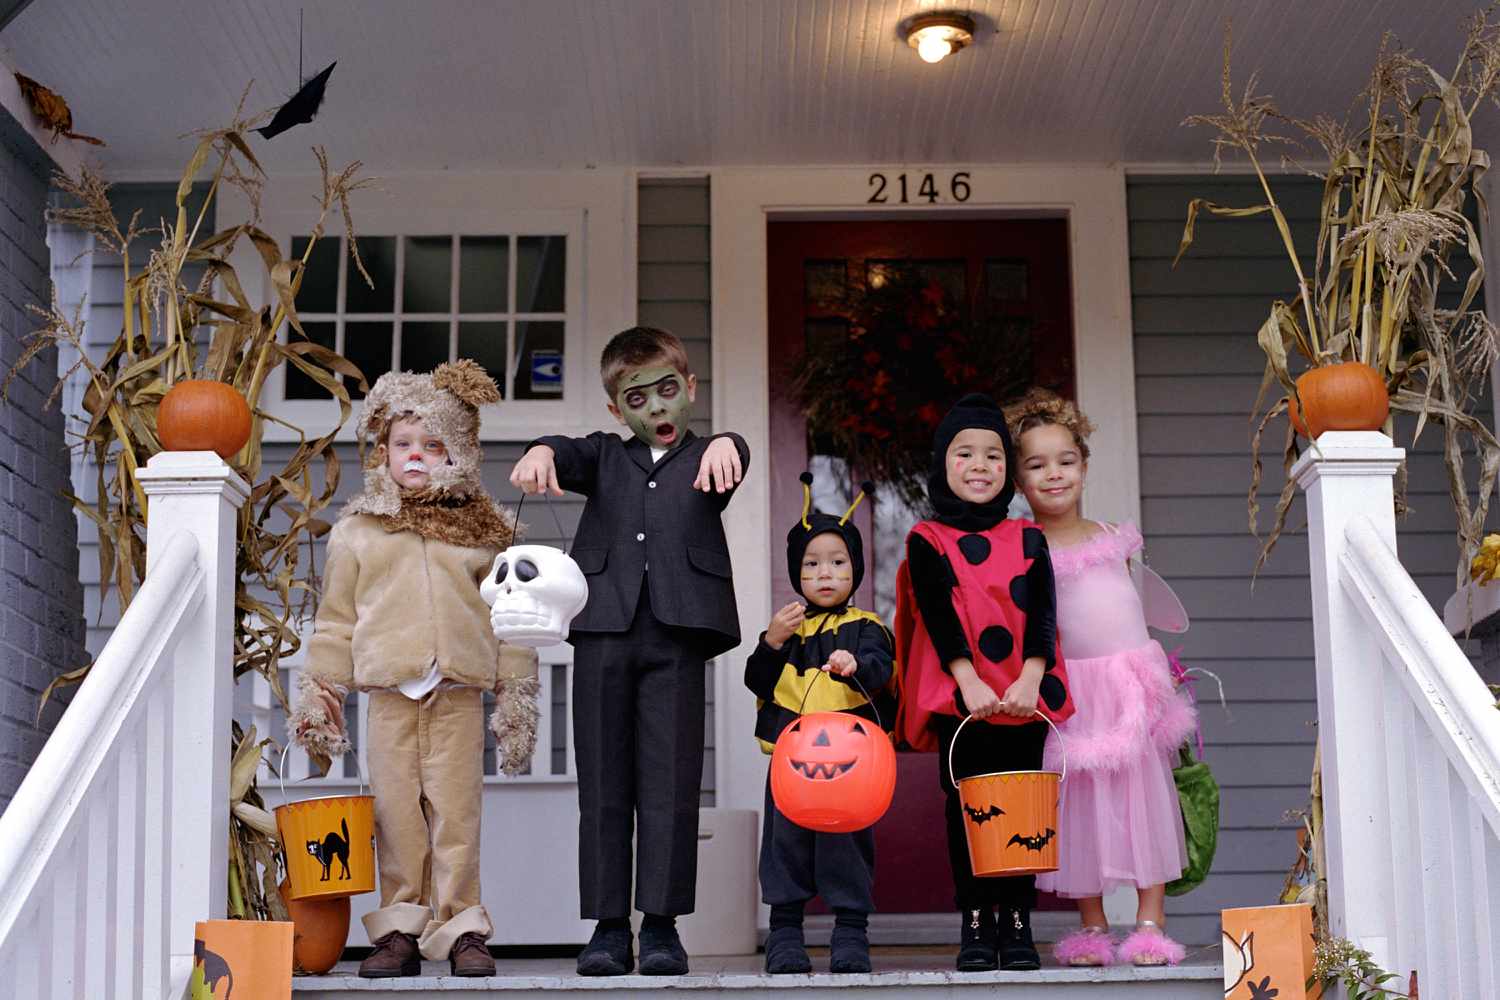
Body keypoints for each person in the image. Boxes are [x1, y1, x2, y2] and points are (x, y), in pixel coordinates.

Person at [509, 326, 749, 977]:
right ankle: (610, 926)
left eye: (669, 390)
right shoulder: (604, 456)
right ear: (617, 410)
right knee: (605, 784)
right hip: (605, 631)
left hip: (676, 634)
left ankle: (663, 926)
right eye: (637, 398)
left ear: (690, 388)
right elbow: (565, 450)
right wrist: (539, 449)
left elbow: (737, 454)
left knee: (671, 784)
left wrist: (729, 440)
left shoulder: (710, 458)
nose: (657, 408)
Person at [290, 360, 540, 979]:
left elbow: (510, 617)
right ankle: (400, 928)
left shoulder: (485, 533)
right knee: (396, 815)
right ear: (381, 450)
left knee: (457, 815)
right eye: (404, 445)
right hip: (390, 697)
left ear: (461, 452)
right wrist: (322, 693)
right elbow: (335, 622)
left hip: (456, 693)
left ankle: (461, 928)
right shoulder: (358, 533)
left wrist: (515, 694)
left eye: (434, 445)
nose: (417, 457)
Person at [1006, 388, 1196, 967]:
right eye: (1036, 465)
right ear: (1018, 481)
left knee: (1144, 797)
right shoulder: (1022, 547)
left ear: (1085, 467)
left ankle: (1148, 922)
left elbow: (1136, 607)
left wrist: (1158, 674)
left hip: (1129, 684)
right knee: (1078, 802)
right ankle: (1091, 925)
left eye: (1066, 461)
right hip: (1069, 689)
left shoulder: (1116, 537)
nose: (1054, 474)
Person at [893, 393, 1073, 972]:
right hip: (962, 696)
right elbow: (937, 614)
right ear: (943, 464)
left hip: (1022, 691)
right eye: (964, 453)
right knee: (969, 806)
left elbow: (1044, 611)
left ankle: (1018, 920)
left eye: (993, 455)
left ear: (1007, 470)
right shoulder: (928, 538)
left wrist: (1031, 676)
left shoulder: (1028, 538)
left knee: (1022, 803)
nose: (979, 465)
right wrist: (966, 678)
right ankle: (975, 919)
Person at [744, 475, 895, 975]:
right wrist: (770, 641)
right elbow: (756, 680)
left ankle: (850, 932)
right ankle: (785, 932)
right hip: (791, 760)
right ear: (796, 572)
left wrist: (859, 667)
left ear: (855, 569)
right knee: (785, 843)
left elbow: (883, 671)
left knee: (846, 843)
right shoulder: (788, 627)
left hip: (852, 764)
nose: (825, 573)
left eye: (837, 562)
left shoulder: (869, 627)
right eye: (811, 564)